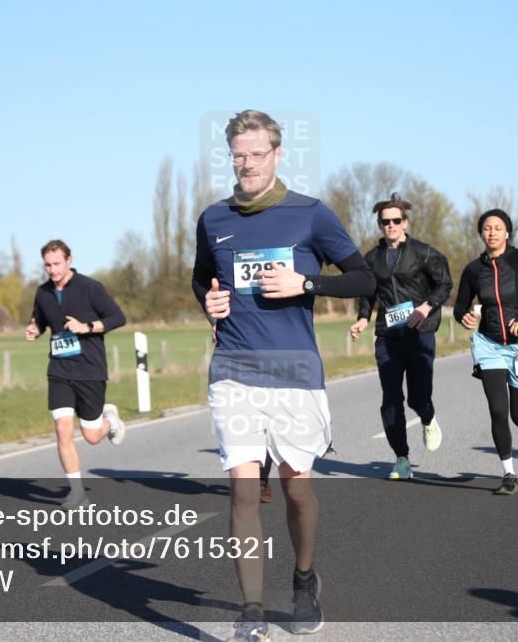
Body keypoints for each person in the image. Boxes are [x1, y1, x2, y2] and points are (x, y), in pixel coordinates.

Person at [193, 109, 375, 641]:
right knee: (245, 492)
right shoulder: (214, 219)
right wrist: (210, 302)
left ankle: (303, 579)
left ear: (277, 154)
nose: (246, 164)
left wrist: (307, 285)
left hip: (295, 370)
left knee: (297, 490)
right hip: (234, 369)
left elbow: (363, 278)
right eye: (237, 155)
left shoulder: (311, 214)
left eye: (256, 153)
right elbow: (201, 278)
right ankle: (250, 613)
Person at [453, 210, 518, 495]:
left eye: (498, 228)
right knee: (497, 409)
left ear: (507, 232)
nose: (492, 233)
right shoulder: (474, 270)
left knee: (517, 414)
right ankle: (508, 473)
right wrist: (463, 317)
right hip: (489, 345)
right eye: (487, 228)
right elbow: (460, 307)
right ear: (481, 233)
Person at [350, 195, 453, 480]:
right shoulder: (371, 258)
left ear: (405, 222)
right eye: (386, 221)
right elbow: (367, 292)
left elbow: (444, 283)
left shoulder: (424, 253)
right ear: (380, 225)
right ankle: (401, 459)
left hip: (419, 333)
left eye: (396, 220)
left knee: (418, 398)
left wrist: (426, 306)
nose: (391, 225)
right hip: (387, 336)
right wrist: (362, 318)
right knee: (391, 398)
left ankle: (428, 417)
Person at [26, 239, 128, 509]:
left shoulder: (90, 288)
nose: (52, 270)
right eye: (47, 265)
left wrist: (88, 327)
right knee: (62, 429)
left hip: (90, 369)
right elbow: (40, 320)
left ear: (69, 260)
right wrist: (34, 330)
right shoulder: (43, 292)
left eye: (57, 263)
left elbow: (118, 318)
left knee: (92, 436)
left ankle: (111, 421)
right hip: (59, 370)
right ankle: (77, 492)